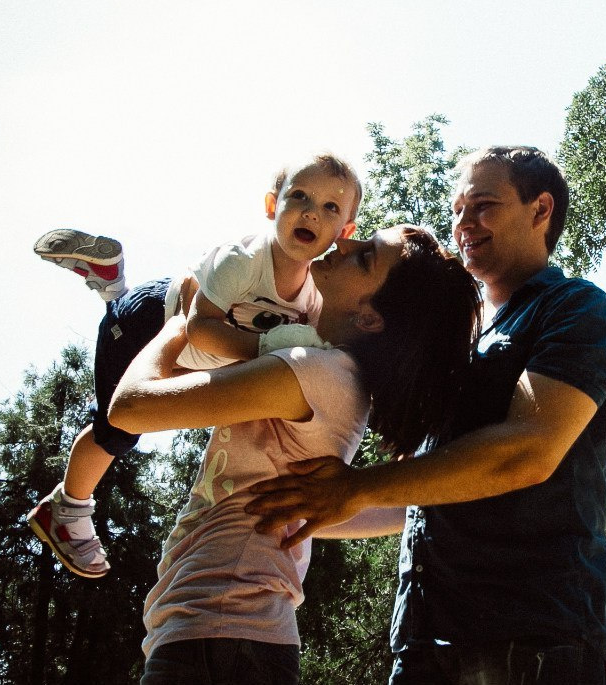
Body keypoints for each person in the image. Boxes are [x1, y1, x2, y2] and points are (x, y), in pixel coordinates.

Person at [247, 146, 606, 685]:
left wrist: (355, 488)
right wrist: (295, 511)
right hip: (424, 646)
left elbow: (528, 451)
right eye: (457, 210)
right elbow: (419, 504)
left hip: (532, 643)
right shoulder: (461, 343)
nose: (463, 224)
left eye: (483, 205)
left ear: (540, 209)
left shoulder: (576, 309)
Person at [111, 225, 481, 685]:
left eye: (364, 257)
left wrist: (176, 327)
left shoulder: (315, 372)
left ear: (369, 318)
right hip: (229, 636)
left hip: (218, 638)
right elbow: (398, 510)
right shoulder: (334, 377)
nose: (343, 243)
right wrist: (332, 506)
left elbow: (130, 408)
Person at [26, 153, 361, 578]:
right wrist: (269, 349)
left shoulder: (316, 294)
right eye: (299, 196)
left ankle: (110, 279)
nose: (312, 211)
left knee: (174, 391)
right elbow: (199, 328)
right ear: (272, 206)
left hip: (181, 349)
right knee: (120, 430)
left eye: (331, 207)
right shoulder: (242, 259)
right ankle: (66, 509)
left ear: (344, 232)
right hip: (143, 325)